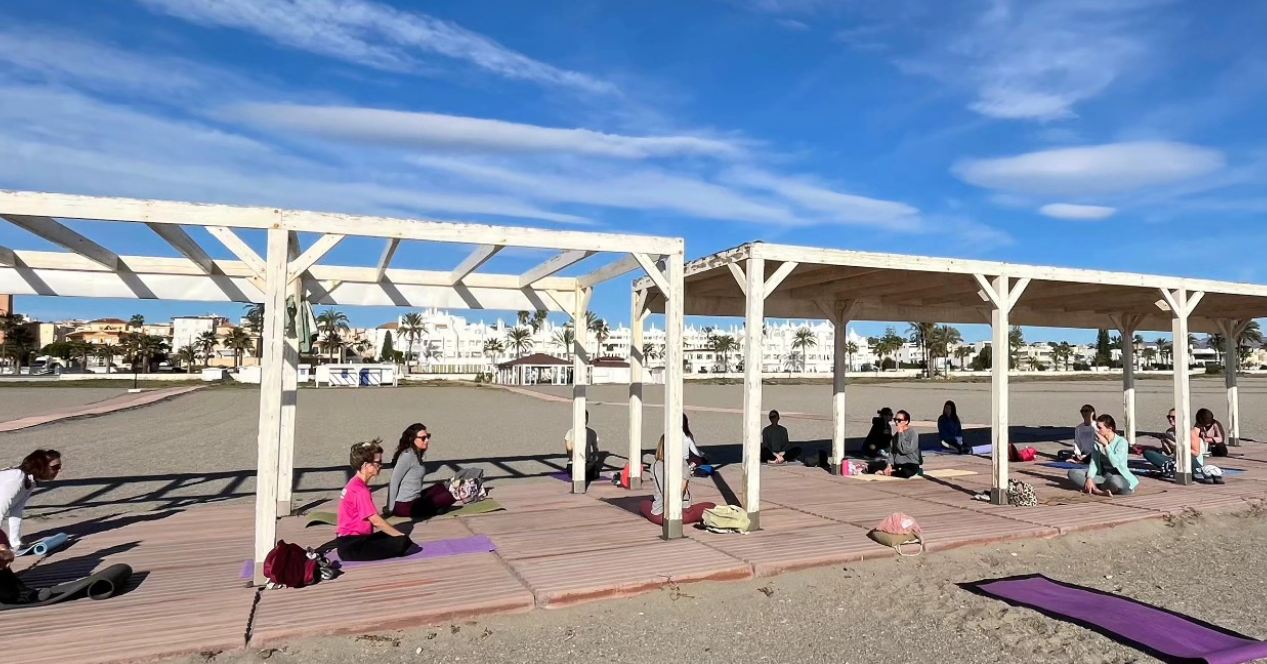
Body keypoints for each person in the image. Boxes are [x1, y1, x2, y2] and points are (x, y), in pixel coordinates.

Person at [337, 441, 412, 562]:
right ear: (366, 465)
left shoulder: (354, 483)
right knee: (402, 542)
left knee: (391, 535)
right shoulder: (360, 490)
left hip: (350, 541)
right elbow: (375, 520)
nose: (381, 465)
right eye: (378, 462)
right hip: (353, 546)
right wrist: (399, 536)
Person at [639, 436, 715, 526]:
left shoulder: (655, 465)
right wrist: (686, 476)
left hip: (659, 515)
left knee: (643, 504)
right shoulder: (682, 462)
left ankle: (654, 503)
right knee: (711, 506)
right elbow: (679, 490)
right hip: (682, 513)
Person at [386, 423, 457, 520]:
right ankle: (435, 510)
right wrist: (390, 508)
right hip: (405, 505)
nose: (427, 440)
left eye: (428, 436)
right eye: (423, 438)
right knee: (449, 496)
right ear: (412, 439)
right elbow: (394, 481)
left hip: (416, 499)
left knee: (440, 487)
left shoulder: (416, 454)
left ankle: (435, 509)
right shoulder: (407, 455)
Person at [0, 450, 62, 550]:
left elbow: (16, 511)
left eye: (59, 466)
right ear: (41, 466)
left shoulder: (30, 481)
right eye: (55, 467)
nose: (59, 470)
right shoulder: (16, 479)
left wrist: (15, 543)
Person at [1066, 414, 1138, 496]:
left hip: (1119, 477)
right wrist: (1089, 478)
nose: (1097, 430)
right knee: (1073, 472)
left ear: (1109, 429)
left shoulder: (1121, 442)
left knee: (1114, 481)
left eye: (1099, 428)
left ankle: (1095, 488)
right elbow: (1094, 463)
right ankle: (1098, 490)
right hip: (1103, 477)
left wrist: (1106, 445)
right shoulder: (1097, 442)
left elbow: (1115, 463)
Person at [1143, 408, 1207, 480]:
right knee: (1148, 453)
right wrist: (1164, 443)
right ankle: (1172, 469)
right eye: (1169, 417)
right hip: (1176, 461)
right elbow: (1169, 453)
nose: (1170, 419)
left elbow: (1196, 453)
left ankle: (1193, 472)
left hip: (1192, 462)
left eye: (1173, 417)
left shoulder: (1190, 432)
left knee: (1187, 455)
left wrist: (1177, 446)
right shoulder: (1169, 432)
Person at [564, 410, 608, 483]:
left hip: (579, 463)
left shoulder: (572, 432)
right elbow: (595, 450)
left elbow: (569, 449)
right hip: (581, 463)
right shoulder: (590, 432)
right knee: (590, 472)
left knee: (580, 471)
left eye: (585, 418)